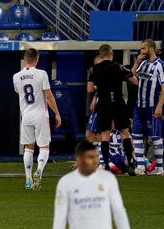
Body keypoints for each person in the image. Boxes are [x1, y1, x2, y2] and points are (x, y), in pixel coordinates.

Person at [53, 140, 130, 229]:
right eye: (90, 157)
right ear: (79, 159)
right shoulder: (66, 182)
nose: (95, 161)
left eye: (96, 157)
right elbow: (60, 215)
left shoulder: (108, 179)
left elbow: (118, 210)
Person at [13, 48, 61, 191]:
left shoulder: (16, 76)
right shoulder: (42, 74)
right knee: (44, 147)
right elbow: (48, 95)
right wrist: (57, 113)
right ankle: (39, 171)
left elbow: (19, 92)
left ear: (24, 59)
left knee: (28, 147)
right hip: (41, 115)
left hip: (26, 115)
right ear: (37, 59)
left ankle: (28, 179)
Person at [88, 44, 138, 175]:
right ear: (111, 54)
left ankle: (106, 166)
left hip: (103, 103)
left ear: (100, 55)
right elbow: (134, 80)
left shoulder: (93, 69)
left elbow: (89, 89)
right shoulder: (118, 66)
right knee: (124, 132)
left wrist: (99, 86)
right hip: (118, 102)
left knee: (105, 134)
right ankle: (131, 164)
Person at [131, 39, 164, 176]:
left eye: (143, 49)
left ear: (151, 48)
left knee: (155, 136)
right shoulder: (143, 63)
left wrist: (159, 106)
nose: (141, 51)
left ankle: (160, 167)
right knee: (136, 135)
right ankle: (140, 166)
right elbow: (131, 77)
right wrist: (137, 62)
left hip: (152, 106)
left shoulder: (160, 65)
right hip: (139, 106)